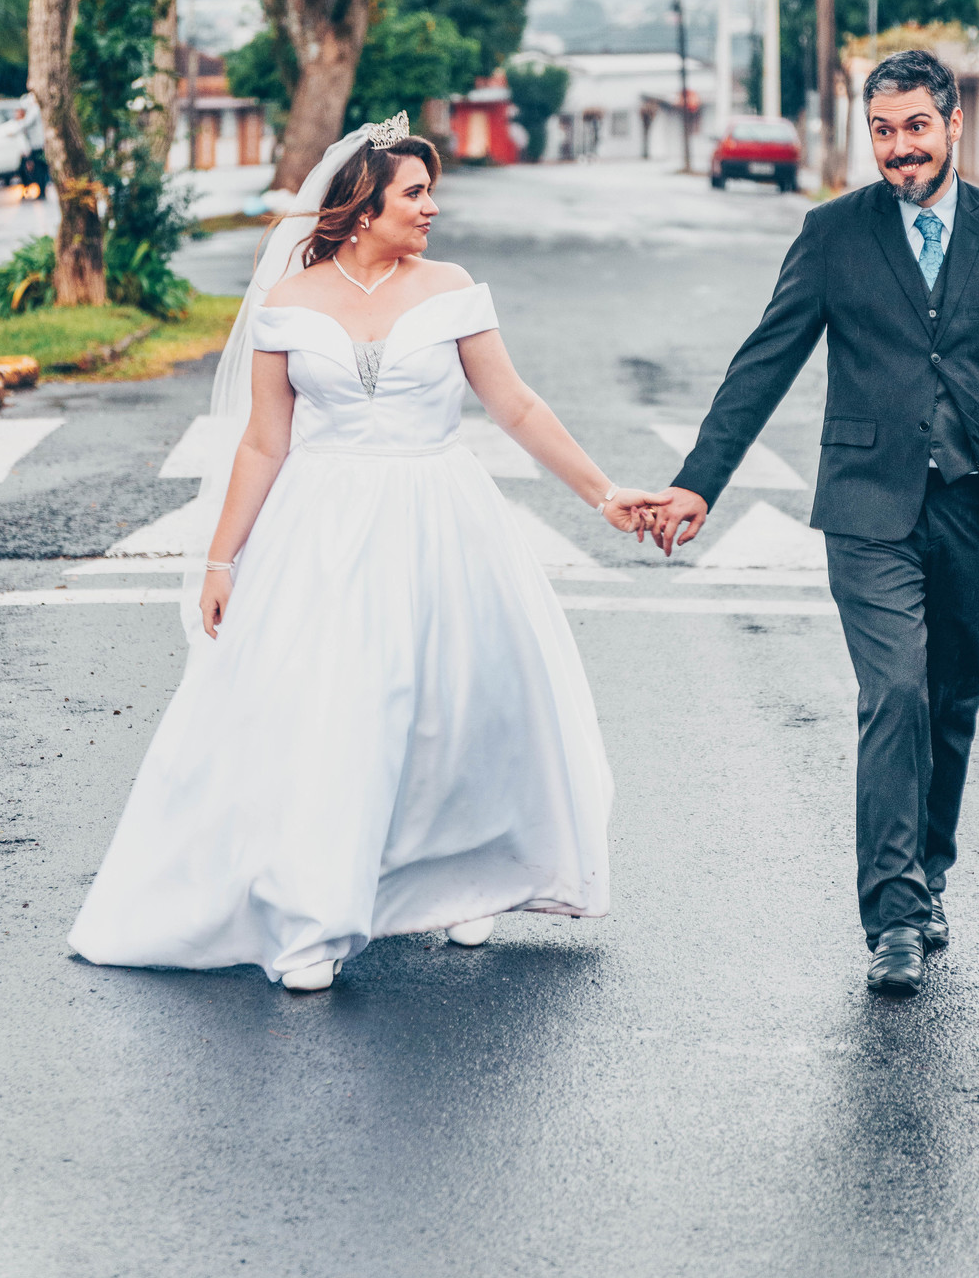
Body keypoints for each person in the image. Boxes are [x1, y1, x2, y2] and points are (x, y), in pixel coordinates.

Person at [70, 114, 669, 991]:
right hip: (325, 528)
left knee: (455, 705)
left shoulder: (452, 288)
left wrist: (602, 494)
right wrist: (221, 561)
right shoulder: (288, 302)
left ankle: (465, 880)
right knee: (335, 713)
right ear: (361, 207)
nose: (431, 209)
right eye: (415, 194)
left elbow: (515, 405)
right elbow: (262, 443)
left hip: (442, 516)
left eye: (432, 193)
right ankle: (310, 917)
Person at [648, 50, 979, 997]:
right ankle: (893, 917)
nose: (898, 148)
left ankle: (929, 876)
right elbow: (765, 361)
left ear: (953, 123)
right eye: (882, 131)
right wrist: (698, 484)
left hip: (972, 501)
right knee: (896, 693)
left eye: (915, 126)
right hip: (866, 504)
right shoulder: (833, 233)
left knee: (952, 698)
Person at [14, 91, 48, 194]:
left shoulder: (34, 110)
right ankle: (41, 189)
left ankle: (42, 190)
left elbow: (25, 124)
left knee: (40, 169)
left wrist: (13, 130)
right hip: (36, 144)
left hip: (38, 144)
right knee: (39, 168)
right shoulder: (33, 110)